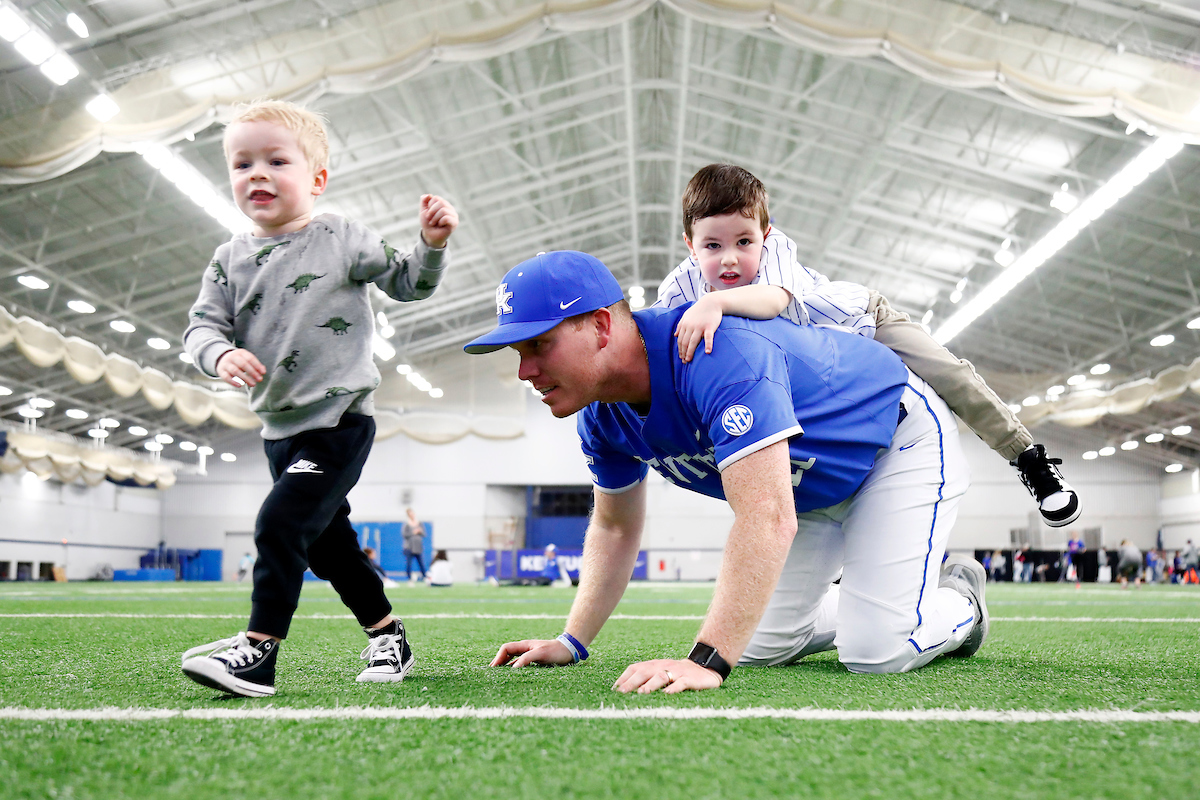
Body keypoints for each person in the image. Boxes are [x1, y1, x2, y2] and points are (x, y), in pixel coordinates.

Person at [466, 250, 988, 692]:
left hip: (894, 443)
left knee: (877, 652)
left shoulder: (715, 353)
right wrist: (571, 640)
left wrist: (706, 661)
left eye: (539, 345)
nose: (524, 370)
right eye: (518, 350)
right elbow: (615, 526)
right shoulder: (602, 416)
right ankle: (872, 605)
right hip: (806, 489)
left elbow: (765, 514)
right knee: (762, 646)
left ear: (601, 326)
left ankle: (958, 601)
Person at [179, 99, 458, 697]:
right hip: (278, 430)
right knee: (330, 549)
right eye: (241, 163)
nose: (257, 173)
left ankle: (257, 654)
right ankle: (388, 635)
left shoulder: (341, 237)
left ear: (317, 179)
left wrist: (431, 243)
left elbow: (409, 282)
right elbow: (200, 328)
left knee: (278, 523)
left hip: (338, 422)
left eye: (276, 161)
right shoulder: (228, 260)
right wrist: (219, 354)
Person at [655, 164, 1079, 529]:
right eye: (713, 245)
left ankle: (1028, 459)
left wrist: (714, 302)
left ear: (765, 235)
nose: (729, 258)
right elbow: (653, 347)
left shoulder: (771, 254)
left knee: (950, 374)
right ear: (690, 244)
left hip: (862, 322)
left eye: (744, 242)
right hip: (819, 374)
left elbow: (772, 302)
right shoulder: (679, 287)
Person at [403, 507, 427, 583]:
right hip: (409, 547)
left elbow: (424, 534)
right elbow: (404, 535)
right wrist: (413, 532)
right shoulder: (406, 524)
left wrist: (419, 531)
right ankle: (409, 578)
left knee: (421, 563)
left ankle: (424, 576)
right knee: (409, 564)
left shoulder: (419, 523)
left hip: (418, 547)